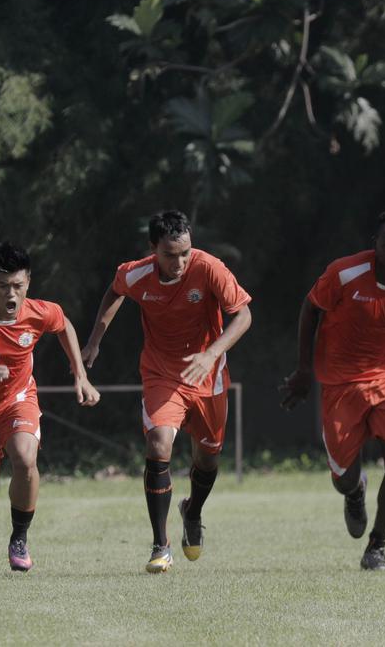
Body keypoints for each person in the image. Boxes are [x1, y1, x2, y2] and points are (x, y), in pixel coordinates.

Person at [82, 210, 252, 574]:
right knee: (159, 442)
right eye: (170, 255)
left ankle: (193, 512)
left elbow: (244, 316)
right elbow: (115, 291)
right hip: (161, 373)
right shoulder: (135, 273)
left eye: (185, 253)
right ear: (153, 249)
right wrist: (95, 340)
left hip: (209, 376)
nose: (179, 262)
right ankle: (161, 545)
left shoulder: (209, 268)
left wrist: (211, 353)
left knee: (207, 460)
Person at [279, 207, 385, 570]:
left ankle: (377, 547)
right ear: (376, 245)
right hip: (340, 384)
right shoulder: (344, 273)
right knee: (343, 478)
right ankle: (355, 491)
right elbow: (311, 309)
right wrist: (305, 369)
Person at [0, 242, 100, 576]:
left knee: (25, 459)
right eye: (3, 286)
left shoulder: (38, 312)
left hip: (18, 398)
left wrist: (80, 376)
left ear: (28, 283)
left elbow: (64, 324)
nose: (12, 294)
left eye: (18, 285)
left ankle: (19, 539)